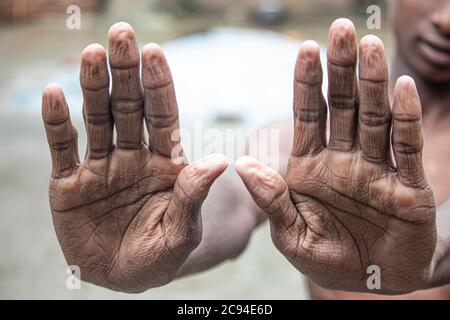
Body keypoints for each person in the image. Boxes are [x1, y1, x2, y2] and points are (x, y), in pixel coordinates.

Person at [41, 0, 450, 297]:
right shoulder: (308, 143)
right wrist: (158, 231)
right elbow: (238, 198)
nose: (446, 19)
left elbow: (443, 238)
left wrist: (427, 258)